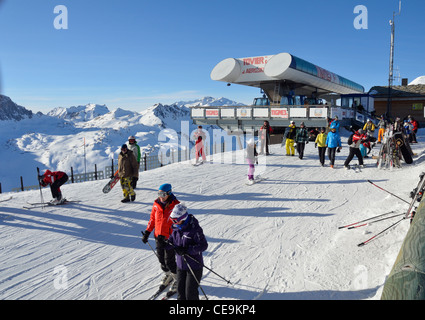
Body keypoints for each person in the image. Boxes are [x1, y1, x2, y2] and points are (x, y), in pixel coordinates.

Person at [142, 183, 180, 293]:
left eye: (163, 194)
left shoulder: (176, 205)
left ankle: (177, 278)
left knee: (170, 261)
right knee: (161, 259)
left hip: (170, 238)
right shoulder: (156, 204)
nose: (161, 196)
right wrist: (147, 232)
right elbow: (152, 219)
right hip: (158, 236)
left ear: (169, 193)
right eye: (159, 193)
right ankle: (168, 275)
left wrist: (176, 237)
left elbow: (179, 223)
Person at [167, 203, 208, 300]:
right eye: (172, 220)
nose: (174, 222)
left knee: (190, 294)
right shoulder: (176, 228)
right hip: (181, 266)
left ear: (183, 218)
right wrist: (163, 242)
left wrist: (187, 250)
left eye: (175, 220)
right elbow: (170, 242)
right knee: (181, 293)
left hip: (194, 266)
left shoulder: (195, 229)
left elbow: (203, 245)